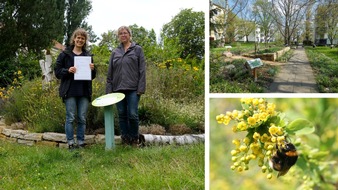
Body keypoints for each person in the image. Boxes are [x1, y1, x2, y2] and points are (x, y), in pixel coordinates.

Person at [54, 28, 96, 150]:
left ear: (85, 41)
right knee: (70, 117)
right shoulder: (65, 54)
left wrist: (93, 69)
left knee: (82, 118)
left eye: (83, 38)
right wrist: (68, 70)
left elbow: (92, 76)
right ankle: (71, 142)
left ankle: (81, 142)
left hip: (84, 91)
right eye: (78, 37)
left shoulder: (88, 56)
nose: (80, 40)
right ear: (74, 39)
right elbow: (57, 72)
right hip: (70, 91)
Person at [106, 26, 146, 147]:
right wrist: (109, 91)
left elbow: (142, 70)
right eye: (120, 33)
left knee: (133, 114)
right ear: (118, 37)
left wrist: (141, 88)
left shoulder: (137, 49)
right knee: (122, 114)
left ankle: (134, 139)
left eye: (125, 33)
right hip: (118, 89)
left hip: (133, 88)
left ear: (129, 35)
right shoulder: (115, 52)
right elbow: (110, 72)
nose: (123, 35)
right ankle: (125, 139)